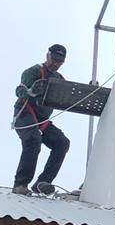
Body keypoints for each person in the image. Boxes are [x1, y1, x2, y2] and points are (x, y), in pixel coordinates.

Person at [12, 45, 71, 195]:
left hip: (42, 121)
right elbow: (20, 90)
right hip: (25, 114)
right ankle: (20, 184)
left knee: (62, 143)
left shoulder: (59, 79)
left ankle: (42, 183)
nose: (56, 64)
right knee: (33, 139)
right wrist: (30, 92)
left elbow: (69, 94)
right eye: (54, 60)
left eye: (59, 62)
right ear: (47, 56)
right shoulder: (34, 72)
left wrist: (89, 91)